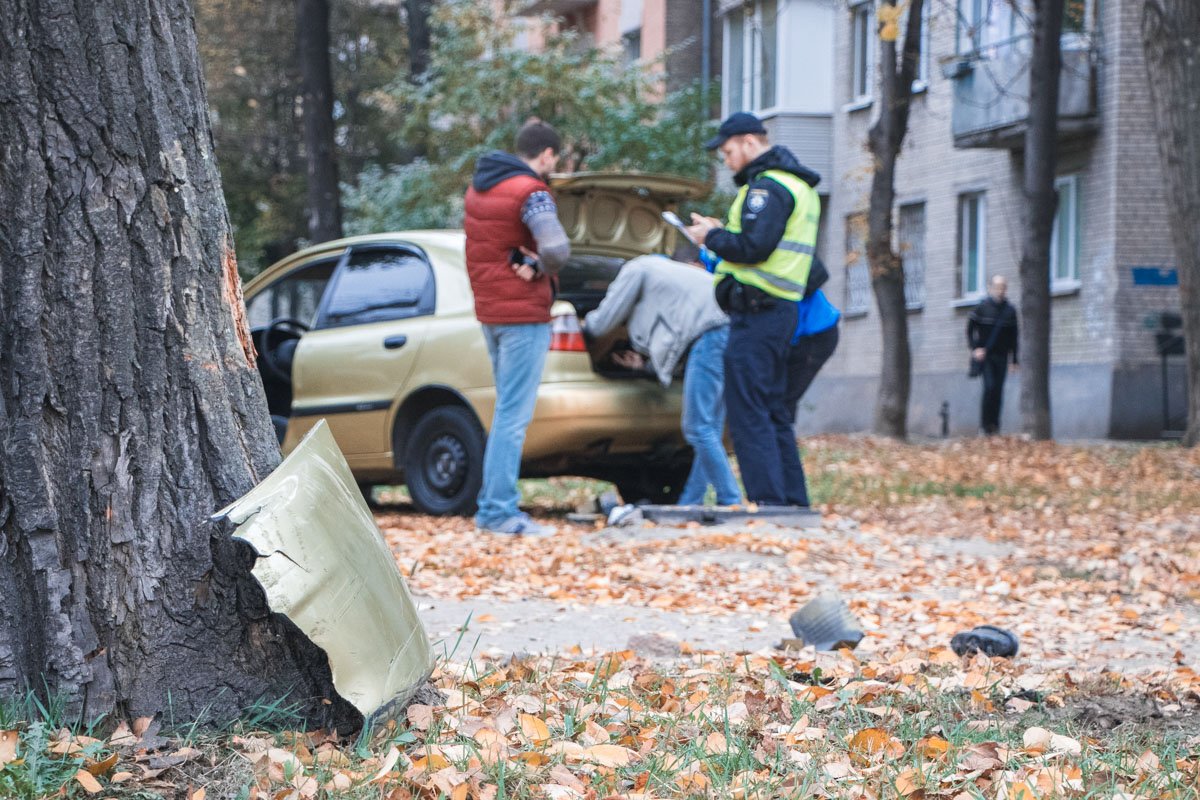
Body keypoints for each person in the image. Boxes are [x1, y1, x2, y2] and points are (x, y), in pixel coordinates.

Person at [685, 112, 822, 508]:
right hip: (778, 312)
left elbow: (754, 248)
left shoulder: (768, 187)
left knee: (748, 411)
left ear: (749, 142)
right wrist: (720, 232)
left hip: (758, 313)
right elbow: (763, 243)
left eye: (728, 152)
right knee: (773, 409)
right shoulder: (795, 185)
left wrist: (710, 236)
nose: (727, 161)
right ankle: (791, 502)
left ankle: (768, 502)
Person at [463, 121, 571, 535]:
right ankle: (498, 511)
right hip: (523, 316)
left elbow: (490, 246)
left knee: (505, 412)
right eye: (553, 160)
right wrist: (542, 264)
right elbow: (557, 248)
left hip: (491, 314)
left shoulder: (479, 188)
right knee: (513, 415)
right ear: (546, 154)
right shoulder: (531, 193)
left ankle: (493, 505)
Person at [581, 255, 742, 507]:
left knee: (697, 428)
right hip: (733, 331)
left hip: (710, 337)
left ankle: (731, 500)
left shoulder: (636, 269)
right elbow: (673, 336)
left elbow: (603, 321)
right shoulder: (666, 275)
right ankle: (691, 501)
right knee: (709, 430)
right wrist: (645, 366)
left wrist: (584, 330)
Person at [967, 275, 1019, 435]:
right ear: (990, 288)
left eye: (1003, 286)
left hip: (1002, 356)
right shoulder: (982, 308)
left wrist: (1014, 360)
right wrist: (975, 349)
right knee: (989, 388)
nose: (1000, 290)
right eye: (997, 286)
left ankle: (994, 426)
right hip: (986, 357)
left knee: (998, 390)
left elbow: (1014, 337)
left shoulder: (1010, 311)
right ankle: (984, 425)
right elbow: (970, 329)